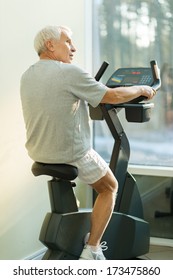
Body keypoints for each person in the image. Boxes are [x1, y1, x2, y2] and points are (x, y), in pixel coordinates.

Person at [20, 25, 156, 260]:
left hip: (39, 151)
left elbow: (60, 100)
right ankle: (92, 249)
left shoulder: (28, 74)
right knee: (110, 187)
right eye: (68, 42)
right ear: (50, 45)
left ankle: (81, 234)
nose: (74, 48)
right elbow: (112, 96)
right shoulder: (68, 72)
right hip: (69, 153)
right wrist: (142, 88)